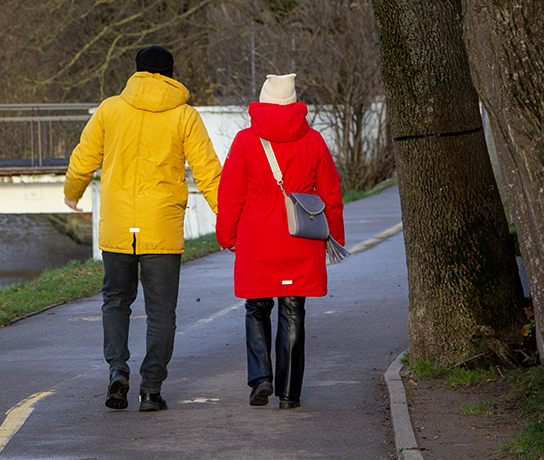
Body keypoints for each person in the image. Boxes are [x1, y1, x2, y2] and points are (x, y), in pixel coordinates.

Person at [63, 46, 222, 412]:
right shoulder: (185, 116)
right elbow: (208, 172)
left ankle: (118, 369)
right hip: (161, 229)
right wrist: (229, 217)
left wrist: (73, 192)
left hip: (119, 225)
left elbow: (84, 157)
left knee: (116, 301)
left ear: (135, 72)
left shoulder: (110, 109)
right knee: (161, 313)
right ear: (170, 74)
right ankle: (151, 389)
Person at [216, 73, 345, 409]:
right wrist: (335, 238)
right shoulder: (314, 140)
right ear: (294, 103)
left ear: (262, 102)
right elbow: (331, 193)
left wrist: (226, 234)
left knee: (256, 306)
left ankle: (261, 378)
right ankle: (289, 393)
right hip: (299, 234)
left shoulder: (245, 141)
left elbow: (230, 193)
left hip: (257, 233)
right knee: (293, 309)